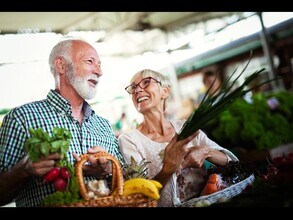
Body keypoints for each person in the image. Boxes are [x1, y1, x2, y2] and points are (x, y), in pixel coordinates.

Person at [0, 38, 123, 207]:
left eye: (99, 64)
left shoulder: (104, 126)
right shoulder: (21, 118)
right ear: (61, 66)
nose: (99, 71)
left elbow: (127, 184)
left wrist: (107, 170)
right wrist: (23, 170)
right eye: (90, 61)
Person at [118, 69, 238, 207]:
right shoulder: (129, 140)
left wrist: (206, 152)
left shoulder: (185, 126)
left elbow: (231, 161)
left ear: (165, 91)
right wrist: (169, 168)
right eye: (133, 87)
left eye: (146, 82)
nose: (137, 90)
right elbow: (140, 197)